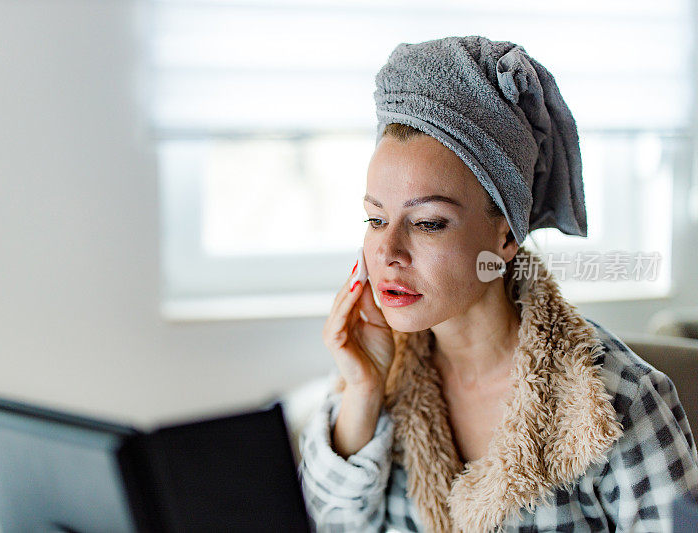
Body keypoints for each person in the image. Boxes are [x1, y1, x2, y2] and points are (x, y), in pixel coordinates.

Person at [297, 36, 698, 532]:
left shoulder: (620, 400)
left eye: (428, 223)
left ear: (506, 235)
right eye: (375, 220)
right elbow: (330, 525)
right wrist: (362, 390)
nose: (388, 254)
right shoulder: (383, 386)